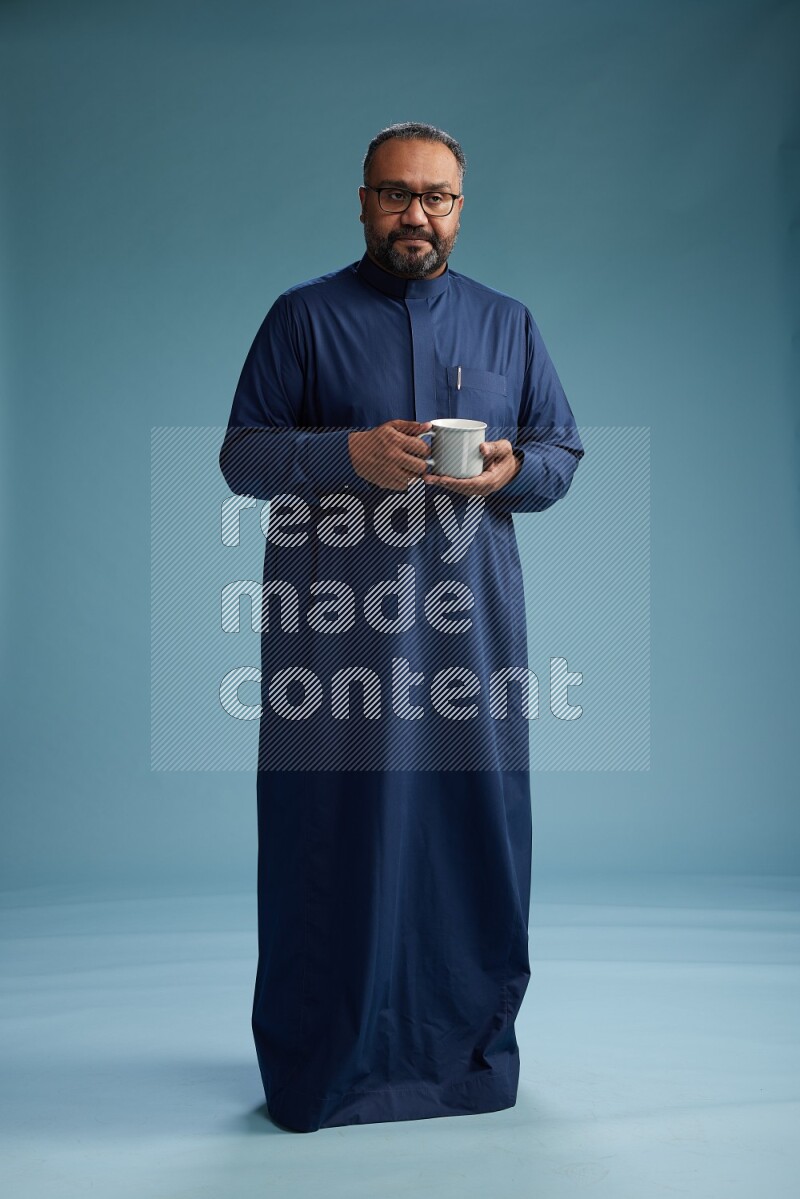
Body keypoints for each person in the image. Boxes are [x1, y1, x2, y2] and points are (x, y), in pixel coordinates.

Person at [219, 121, 584, 1132]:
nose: (415, 214)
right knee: (327, 836)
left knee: (470, 834)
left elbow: (559, 448)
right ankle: (322, 1063)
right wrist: (346, 454)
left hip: (468, 639)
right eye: (395, 194)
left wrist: (517, 471)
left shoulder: (506, 324)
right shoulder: (302, 319)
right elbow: (242, 456)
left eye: (436, 197)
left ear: (459, 208)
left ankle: (462, 1058)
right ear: (362, 201)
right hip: (333, 640)